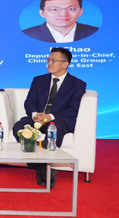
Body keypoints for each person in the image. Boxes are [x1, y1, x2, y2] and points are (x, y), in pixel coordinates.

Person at [12, 47, 87, 188]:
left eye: (53, 60)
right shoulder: (38, 80)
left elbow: (73, 110)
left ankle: (41, 168)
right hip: (37, 118)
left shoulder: (77, 84)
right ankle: (42, 167)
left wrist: (49, 116)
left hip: (60, 120)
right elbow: (29, 102)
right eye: (48, 60)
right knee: (19, 126)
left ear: (65, 64)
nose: (49, 63)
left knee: (54, 128)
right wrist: (35, 115)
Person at [23, 0, 99, 43]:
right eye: (55, 9)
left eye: (71, 9)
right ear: (42, 13)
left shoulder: (94, 32)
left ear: (80, 12)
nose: (63, 14)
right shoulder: (28, 34)